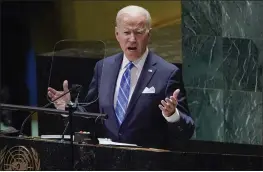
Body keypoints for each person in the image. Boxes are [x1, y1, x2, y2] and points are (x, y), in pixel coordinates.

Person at [48, 5, 194, 148]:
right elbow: (90, 116)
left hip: (147, 163)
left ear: (149, 35)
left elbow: (187, 130)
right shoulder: (103, 67)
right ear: (117, 34)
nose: (132, 39)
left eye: (138, 32)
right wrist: (68, 108)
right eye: (126, 32)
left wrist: (172, 115)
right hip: (107, 161)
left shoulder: (167, 73)